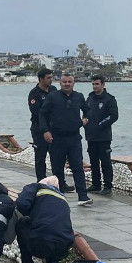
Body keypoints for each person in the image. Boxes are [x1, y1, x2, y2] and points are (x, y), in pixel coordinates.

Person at [40, 74, 93, 206]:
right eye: (65, 82)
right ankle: (58, 195)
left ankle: (83, 196)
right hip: (57, 138)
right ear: (60, 83)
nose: (67, 84)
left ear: (73, 83)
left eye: (70, 82)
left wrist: (85, 119)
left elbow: (88, 110)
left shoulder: (79, 96)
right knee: (57, 168)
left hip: (74, 138)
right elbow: (42, 114)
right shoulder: (53, 97)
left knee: (78, 167)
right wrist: (45, 131)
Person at [14, 177, 77, 263]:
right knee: (52, 230)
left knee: (23, 223)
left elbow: (21, 205)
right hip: (64, 245)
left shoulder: (35, 187)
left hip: (40, 241)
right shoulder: (62, 197)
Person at [85, 75, 119, 195]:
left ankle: (108, 185)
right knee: (93, 161)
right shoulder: (90, 98)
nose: (94, 86)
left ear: (103, 84)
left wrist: (101, 125)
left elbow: (114, 115)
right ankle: (96, 184)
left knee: (105, 162)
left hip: (103, 136)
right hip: (91, 136)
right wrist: (85, 122)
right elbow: (85, 112)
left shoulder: (109, 99)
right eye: (93, 84)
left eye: (97, 84)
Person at [27, 69, 58, 185]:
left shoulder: (54, 90)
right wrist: (45, 128)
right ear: (41, 79)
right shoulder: (34, 93)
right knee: (40, 157)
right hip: (39, 129)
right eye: (48, 78)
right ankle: (41, 181)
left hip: (54, 128)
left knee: (56, 157)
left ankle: (59, 181)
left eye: (51, 77)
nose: (51, 80)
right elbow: (37, 112)